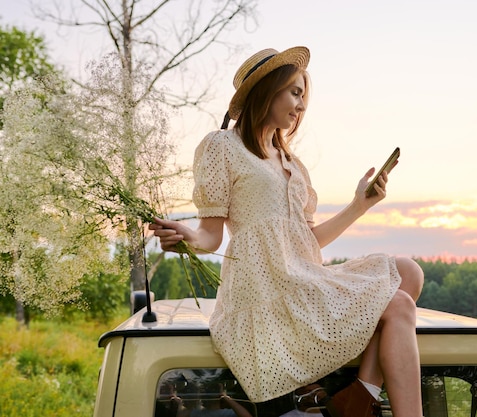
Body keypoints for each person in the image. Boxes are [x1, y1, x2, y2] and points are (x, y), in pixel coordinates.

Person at [150, 46, 424, 417]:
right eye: (295, 92)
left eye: (303, 97)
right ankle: (368, 394)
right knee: (401, 303)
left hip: (303, 277)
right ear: (267, 89)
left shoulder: (295, 166)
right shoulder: (222, 146)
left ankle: (363, 390)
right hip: (265, 289)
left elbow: (306, 242)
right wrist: (186, 237)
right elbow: (211, 237)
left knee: (409, 271)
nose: (301, 105)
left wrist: (359, 205)